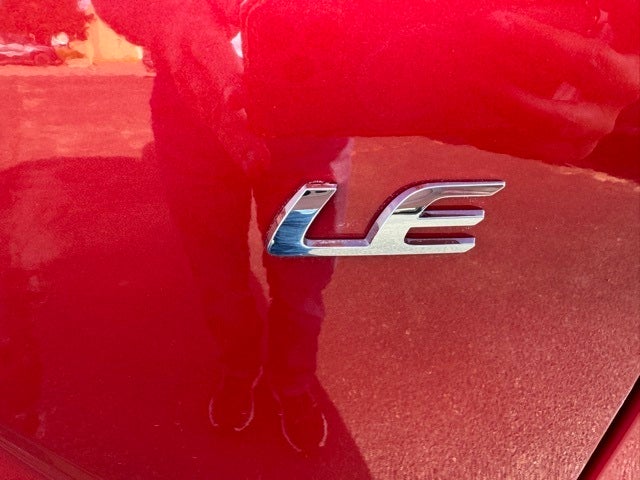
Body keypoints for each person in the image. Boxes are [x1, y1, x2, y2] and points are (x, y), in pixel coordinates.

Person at [92, 0, 639, 454]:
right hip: (191, 104)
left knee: (302, 280)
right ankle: (239, 368)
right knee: (217, 268)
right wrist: (166, 17)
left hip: (316, 111)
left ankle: (291, 383)